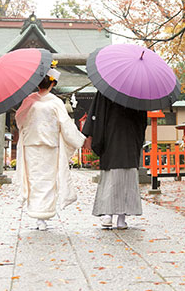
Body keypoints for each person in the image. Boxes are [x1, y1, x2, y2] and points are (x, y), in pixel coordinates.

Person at [14, 67, 86, 230]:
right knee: (47, 180)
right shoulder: (55, 102)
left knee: (34, 179)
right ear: (53, 83)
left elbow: (19, 120)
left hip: (31, 146)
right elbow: (66, 125)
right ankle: (43, 216)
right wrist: (79, 140)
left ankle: (37, 215)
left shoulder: (29, 100)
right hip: (49, 146)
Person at [81, 91, 147, 229]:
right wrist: (138, 139)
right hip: (130, 139)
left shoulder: (106, 88)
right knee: (127, 177)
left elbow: (97, 115)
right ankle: (121, 219)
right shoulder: (137, 90)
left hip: (110, 138)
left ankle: (108, 215)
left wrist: (92, 136)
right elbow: (142, 121)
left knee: (110, 178)